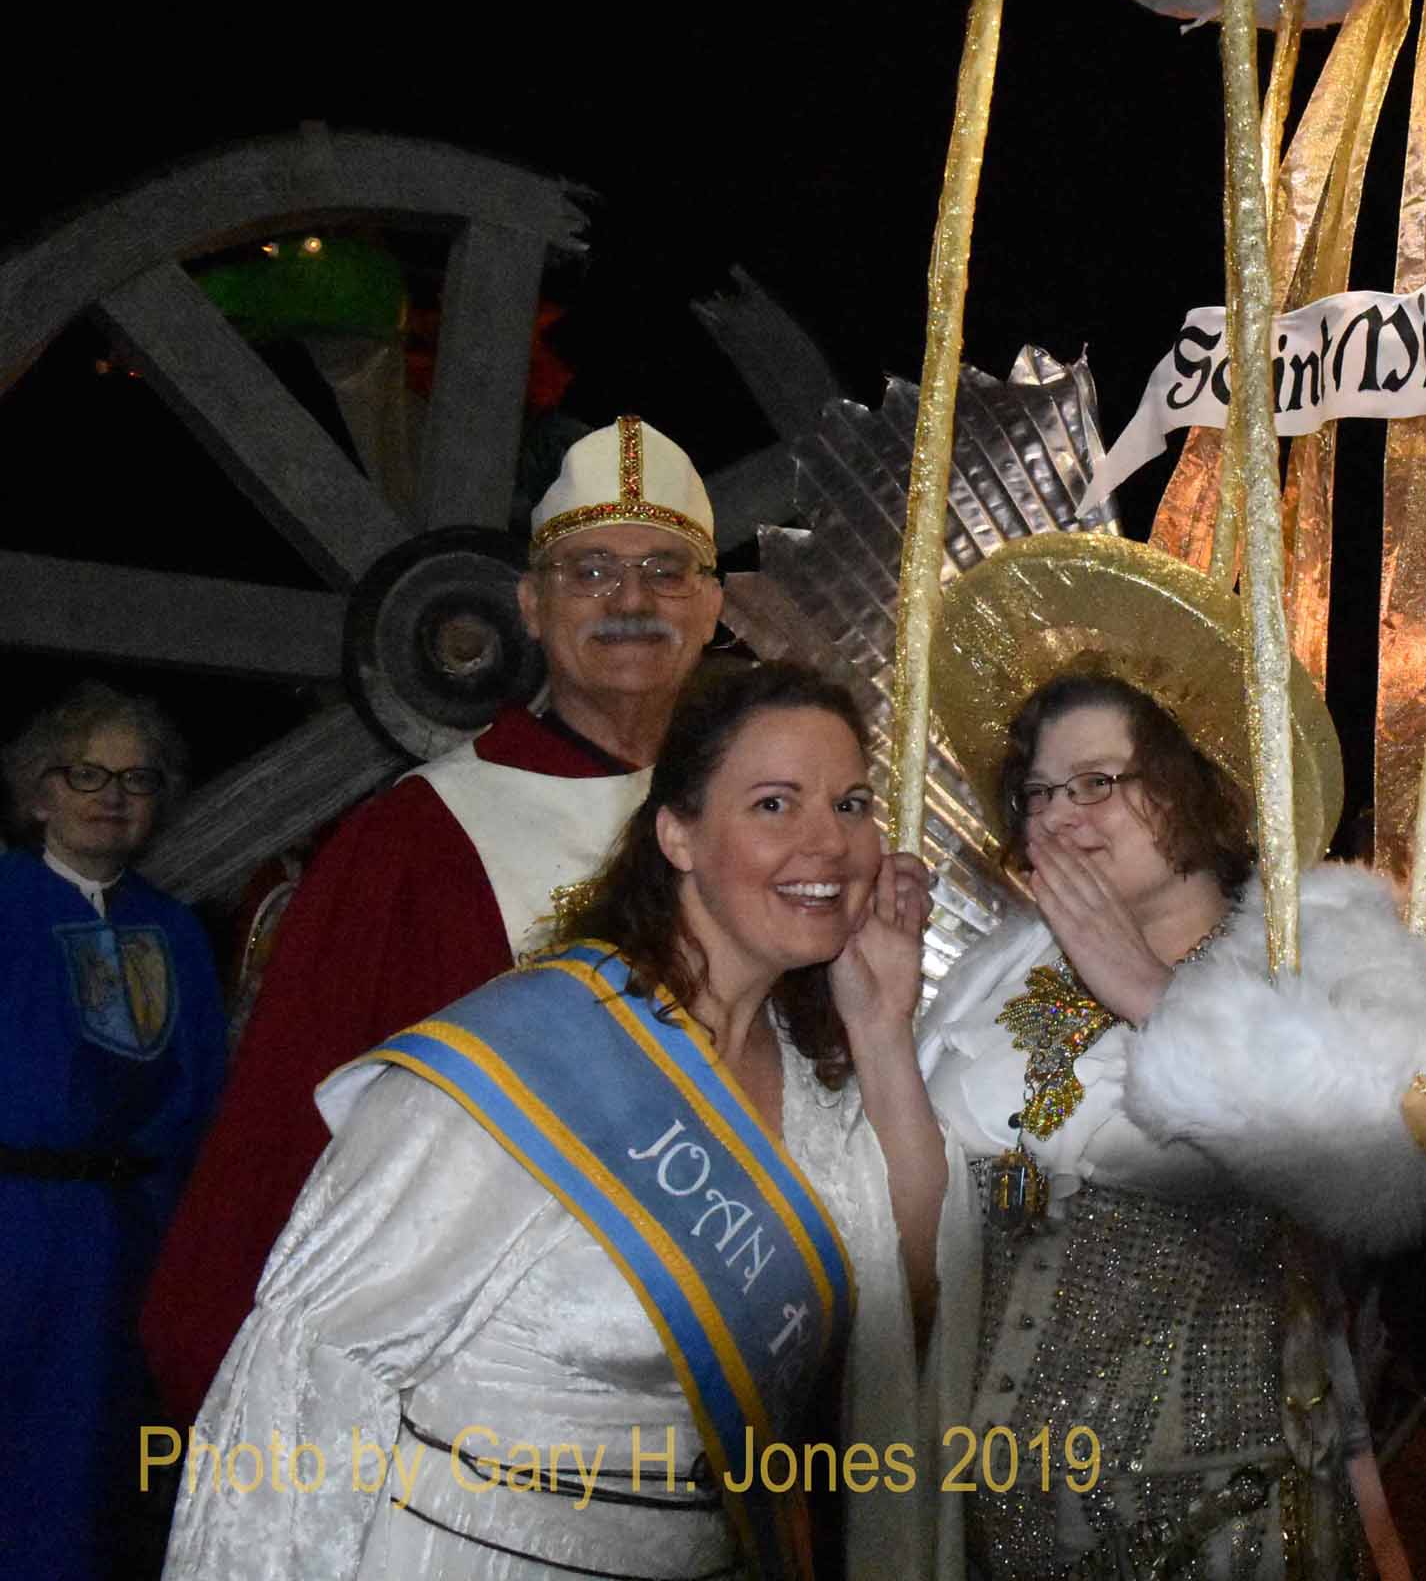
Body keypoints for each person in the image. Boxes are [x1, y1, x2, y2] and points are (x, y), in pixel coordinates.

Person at [161, 661, 936, 1580]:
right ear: (678, 834)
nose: (830, 842)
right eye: (775, 805)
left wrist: (882, 1028)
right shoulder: (526, 1057)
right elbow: (308, 1373)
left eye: (852, 805)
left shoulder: (811, 1081)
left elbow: (908, 1293)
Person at [903, 531, 1426, 1578]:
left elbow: (1398, 1166)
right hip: (993, 1509)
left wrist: (1150, 996)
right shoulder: (994, 968)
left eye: (1098, 782)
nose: (1062, 818)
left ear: (1193, 782)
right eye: (1039, 792)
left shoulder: (1325, 939)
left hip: (1226, 1514)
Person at [144, 415, 727, 1418]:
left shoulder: (767, 822)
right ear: (529, 606)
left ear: (713, 606)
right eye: (590, 572)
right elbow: (292, 1131)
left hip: (727, 1350)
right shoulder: (416, 841)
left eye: (667, 572)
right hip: (496, 1385)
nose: (632, 601)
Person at [1, 683, 224, 1580]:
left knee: (113, 1457)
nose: (112, 794)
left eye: (137, 777)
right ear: (37, 792)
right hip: (16, 1228)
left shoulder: (171, 929)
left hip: (136, 1232)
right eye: (86, 772)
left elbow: (201, 1091)